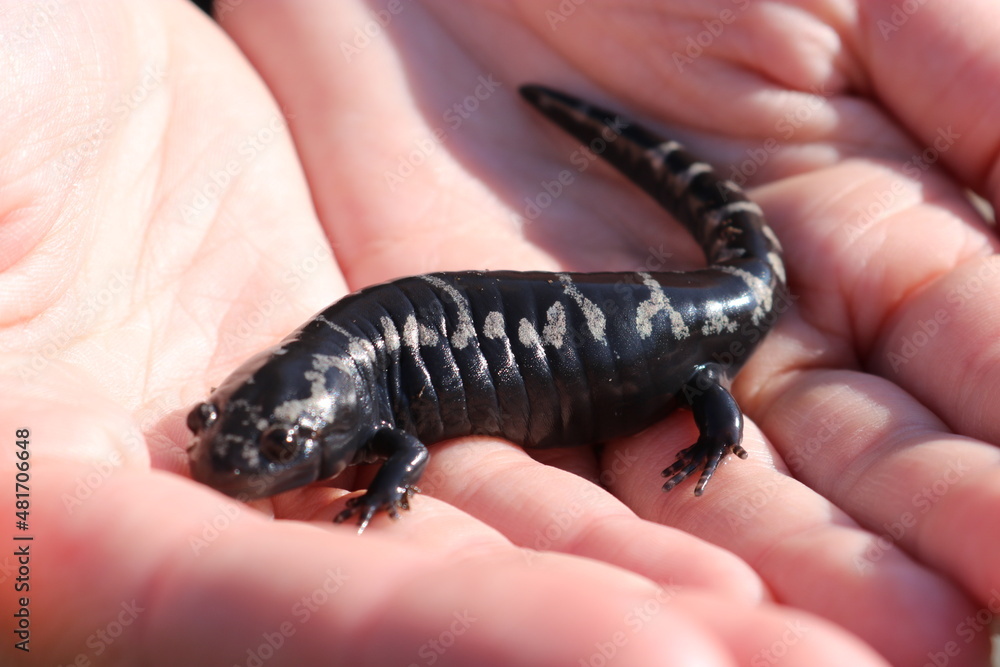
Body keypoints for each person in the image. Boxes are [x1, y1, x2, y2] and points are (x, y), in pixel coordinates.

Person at [3, 1, 998, 665]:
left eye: (267, 445)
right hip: (552, 322)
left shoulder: (366, 417)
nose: (241, 458)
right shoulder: (336, 395)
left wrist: (714, 428)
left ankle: (716, 411)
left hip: (693, 329)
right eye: (247, 441)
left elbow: (400, 447)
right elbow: (373, 437)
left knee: (700, 358)